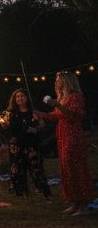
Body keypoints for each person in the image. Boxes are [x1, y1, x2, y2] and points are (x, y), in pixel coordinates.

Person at [36, 71, 94, 215]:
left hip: (73, 134)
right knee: (66, 168)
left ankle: (84, 205)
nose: (55, 82)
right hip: (62, 135)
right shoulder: (62, 97)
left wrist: (58, 105)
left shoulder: (75, 96)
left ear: (67, 81)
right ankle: (74, 202)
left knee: (75, 167)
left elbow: (75, 115)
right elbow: (57, 116)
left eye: (58, 79)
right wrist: (41, 114)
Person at [0, 89, 50, 199]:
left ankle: (41, 188)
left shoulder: (34, 112)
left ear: (27, 98)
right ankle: (19, 190)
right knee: (17, 167)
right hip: (16, 143)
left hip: (31, 142)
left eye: (22, 96)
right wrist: (3, 124)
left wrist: (35, 129)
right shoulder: (10, 113)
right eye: (17, 97)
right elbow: (6, 127)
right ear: (14, 99)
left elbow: (42, 125)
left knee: (35, 166)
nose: (20, 98)